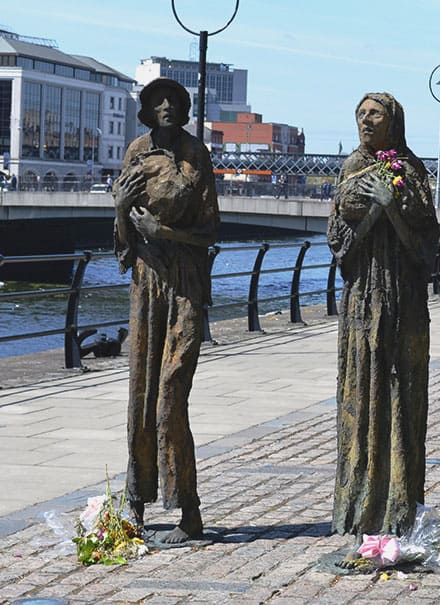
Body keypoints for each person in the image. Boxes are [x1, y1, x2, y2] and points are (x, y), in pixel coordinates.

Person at [327, 93, 439, 552]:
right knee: (361, 403)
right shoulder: (351, 169)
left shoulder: (411, 171)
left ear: (394, 121)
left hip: (404, 305)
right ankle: (358, 513)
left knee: (402, 402)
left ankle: (400, 509)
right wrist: (377, 209)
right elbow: (341, 249)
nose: (365, 120)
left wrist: (393, 206)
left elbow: (425, 253)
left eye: (375, 113)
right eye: (360, 113)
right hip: (362, 306)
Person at [113, 77, 219, 543]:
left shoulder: (197, 154)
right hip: (147, 284)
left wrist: (165, 231)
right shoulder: (136, 150)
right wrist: (119, 209)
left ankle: (188, 512)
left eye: (174, 101)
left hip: (185, 286)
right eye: (158, 101)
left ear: (184, 108)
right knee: (141, 394)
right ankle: (135, 502)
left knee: (171, 396)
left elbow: (211, 231)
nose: (166, 107)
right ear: (147, 109)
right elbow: (125, 238)